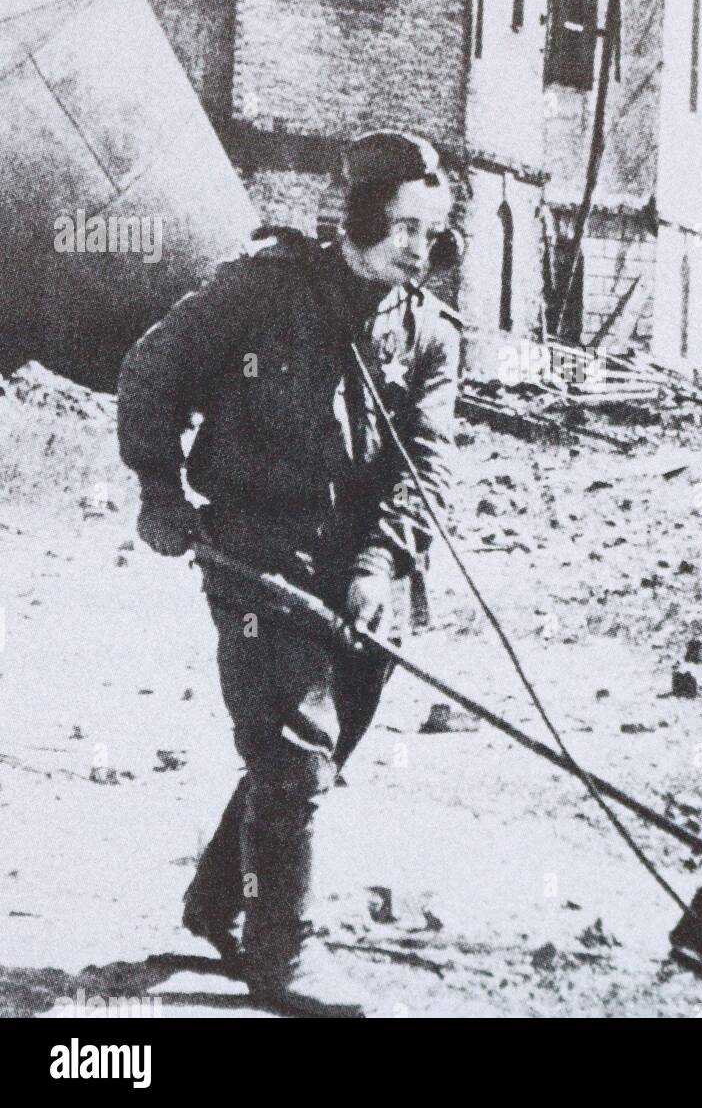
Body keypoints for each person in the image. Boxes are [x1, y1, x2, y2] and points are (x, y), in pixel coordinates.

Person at [117, 131, 462, 1016]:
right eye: (408, 228)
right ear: (359, 217)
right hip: (256, 554)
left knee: (320, 742)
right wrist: (160, 489)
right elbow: (151, 373)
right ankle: (282, 958)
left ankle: (220, 901)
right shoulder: (261, 293)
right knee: (296, 753)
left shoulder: (428, 336)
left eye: (435, 232)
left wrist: (382, 563)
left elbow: (431, 461)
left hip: (363, 575)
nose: (424, 251)